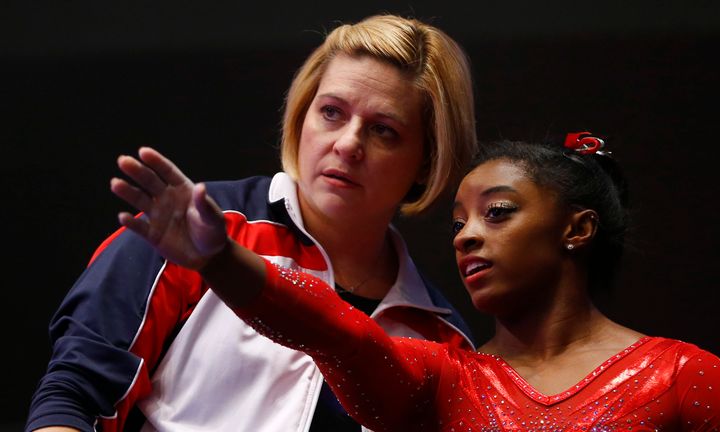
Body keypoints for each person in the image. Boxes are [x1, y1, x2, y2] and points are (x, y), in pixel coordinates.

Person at [103, 133, 720, 431]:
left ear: (577, 230)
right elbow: (342, 335)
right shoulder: (444, 383)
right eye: (458, 221)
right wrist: (221, 260)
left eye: (497, 213)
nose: (466, 236)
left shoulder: (685, 380)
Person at [26, 14, 478, 432]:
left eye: (384, 130)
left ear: (428, 160)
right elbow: (73, 397)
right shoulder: (193, 231)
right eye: (332, 112)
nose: (347, 144)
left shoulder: (443, 337)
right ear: (302, 116)